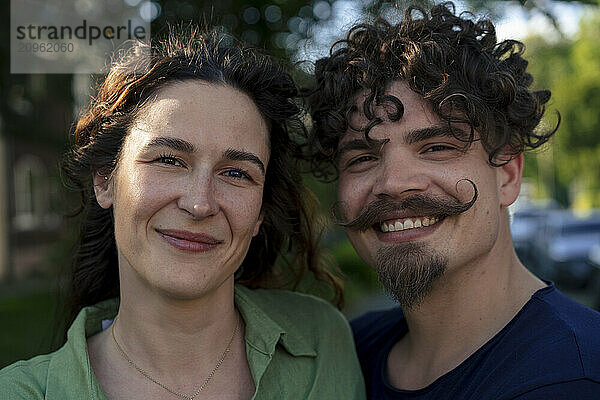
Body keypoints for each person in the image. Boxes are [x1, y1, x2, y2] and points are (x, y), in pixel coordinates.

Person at [0, 27, 366, 400]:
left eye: (236, 173)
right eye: (169, 160)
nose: (200, 203)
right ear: (105, 180)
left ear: (259, 212)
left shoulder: (323, 341)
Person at [306, 2, 600, 399]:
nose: (393, 183)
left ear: (508, 175)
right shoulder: (344, 355)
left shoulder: (573, 377)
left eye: (437, 147)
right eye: (362, 157)